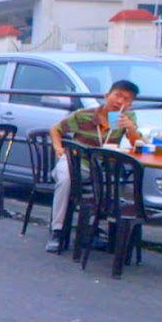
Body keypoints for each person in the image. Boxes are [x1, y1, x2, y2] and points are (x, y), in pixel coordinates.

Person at [44, 81, 142, 253]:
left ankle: (100, 232)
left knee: (123, 188)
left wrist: (131, 128)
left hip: (104, 167)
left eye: (126, 99)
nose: (120, 101)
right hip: (77, 162)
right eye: (117, 95)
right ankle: (57, 231)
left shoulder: (127, 117)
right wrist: (58, 148)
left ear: (130, 104)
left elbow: (137, 144)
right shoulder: (83, 115)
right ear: (107, 95)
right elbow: (56, 129)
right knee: (66, 179)